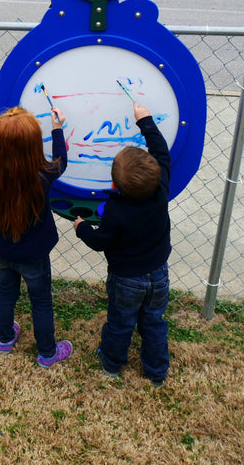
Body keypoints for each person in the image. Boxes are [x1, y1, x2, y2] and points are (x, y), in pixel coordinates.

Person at [73, 101, 171, 387]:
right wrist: (146, 122)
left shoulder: (116, 211)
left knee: (121, 322)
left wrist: (82, 228)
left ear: (115, 187)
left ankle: (112, 364)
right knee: (154, 323)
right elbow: (162, 153)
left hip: (126, 279)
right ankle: (156, 373)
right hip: (159, 273)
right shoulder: (161, 188)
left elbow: (100, 242)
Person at [0, 106, 72, 368]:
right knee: (40, 301)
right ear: (32, 147)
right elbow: (61, 161)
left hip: (4, 253)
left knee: (7, 293)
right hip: (35, 257)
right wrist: (57, 128)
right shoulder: (42, 177)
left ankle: (5, 340)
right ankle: (47, 353)